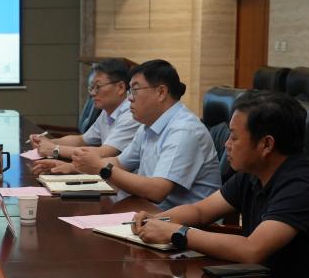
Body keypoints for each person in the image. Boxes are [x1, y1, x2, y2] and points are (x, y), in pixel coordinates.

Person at [133, 90, 309, 278]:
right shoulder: (254, 172)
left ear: (266, 145)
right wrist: (158, 220)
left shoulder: (304, 184)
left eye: (234, 137)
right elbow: (201, 211)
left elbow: (252, 250)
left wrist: (177, 233)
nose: (226, 144)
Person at [71, 59, 220, 209]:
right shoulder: (148, 125)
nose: (129, 98)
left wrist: (101, 168)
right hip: (147, 211)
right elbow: (120, 163)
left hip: (180, 220)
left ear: (161, 92)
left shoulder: (184, 130)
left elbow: (157, 191)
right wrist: (79, 166)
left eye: (135, 90)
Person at [30, 59, 141, 175]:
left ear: (121, 87)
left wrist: (55, 149)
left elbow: (103, 153)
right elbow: (82, 140)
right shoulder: (108, 110)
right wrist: (48, 142)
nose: (92, 93)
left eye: (98, 87)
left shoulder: (131, 114)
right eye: (91, 87)